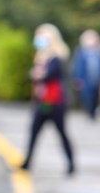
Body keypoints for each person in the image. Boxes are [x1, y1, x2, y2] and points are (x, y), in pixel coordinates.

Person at [20, 22, 75, 175]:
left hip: (56, 102)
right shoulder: (41, 58)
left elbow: (48, 76)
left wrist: (39, 74)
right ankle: (27, 162)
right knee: (34, 131)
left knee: (61, 133)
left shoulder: (58, 57)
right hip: (42, 102)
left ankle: (71, 164)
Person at [72, 29, 100, 120]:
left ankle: (94, 112)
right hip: (86, 79)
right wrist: (78, 79)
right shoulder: (81, 52)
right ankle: (89, 112)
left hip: (97, 78)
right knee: (87, 96)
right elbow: (78, 67)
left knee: (96, 96)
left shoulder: (98, 52)